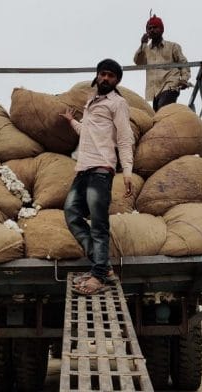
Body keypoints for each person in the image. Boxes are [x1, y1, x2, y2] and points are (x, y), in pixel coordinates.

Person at [60, 59, 134, 295]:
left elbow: (124, 138)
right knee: (71, 213)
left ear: (117, 81)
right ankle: (103, 266)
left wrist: (128, 170)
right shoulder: (91, 102)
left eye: (111, 76)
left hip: (102, 169)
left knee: (99, 223)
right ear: (97, 75)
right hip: (83, 168)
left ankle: (100, 276)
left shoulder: (118, 103)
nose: (105, 78)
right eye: (103, 74)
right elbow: (88, 133)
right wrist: (72, 121)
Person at [133, 14, 191, 111]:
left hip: (170, 84)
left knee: (163, 109)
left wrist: (184, 79)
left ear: (161, 29)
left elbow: (184, 64)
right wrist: (143, 43)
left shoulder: (173, 46)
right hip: (155, 91)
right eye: (149, 28)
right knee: (158, 116)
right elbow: (138, 62)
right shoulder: (146, 50)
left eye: (155, 27)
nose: (152, 30)